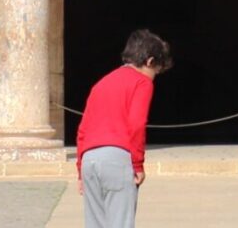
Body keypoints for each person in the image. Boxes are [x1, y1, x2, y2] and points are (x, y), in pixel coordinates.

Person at [72, 28, 170, 228]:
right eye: (156, 71)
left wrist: (81, 172)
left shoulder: (102, 83)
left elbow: (83, 130)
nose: (154, 77)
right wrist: (137, 164)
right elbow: (136, 124)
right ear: (150, 61)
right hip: (116, 159)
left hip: (89, 160)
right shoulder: (142, 82)